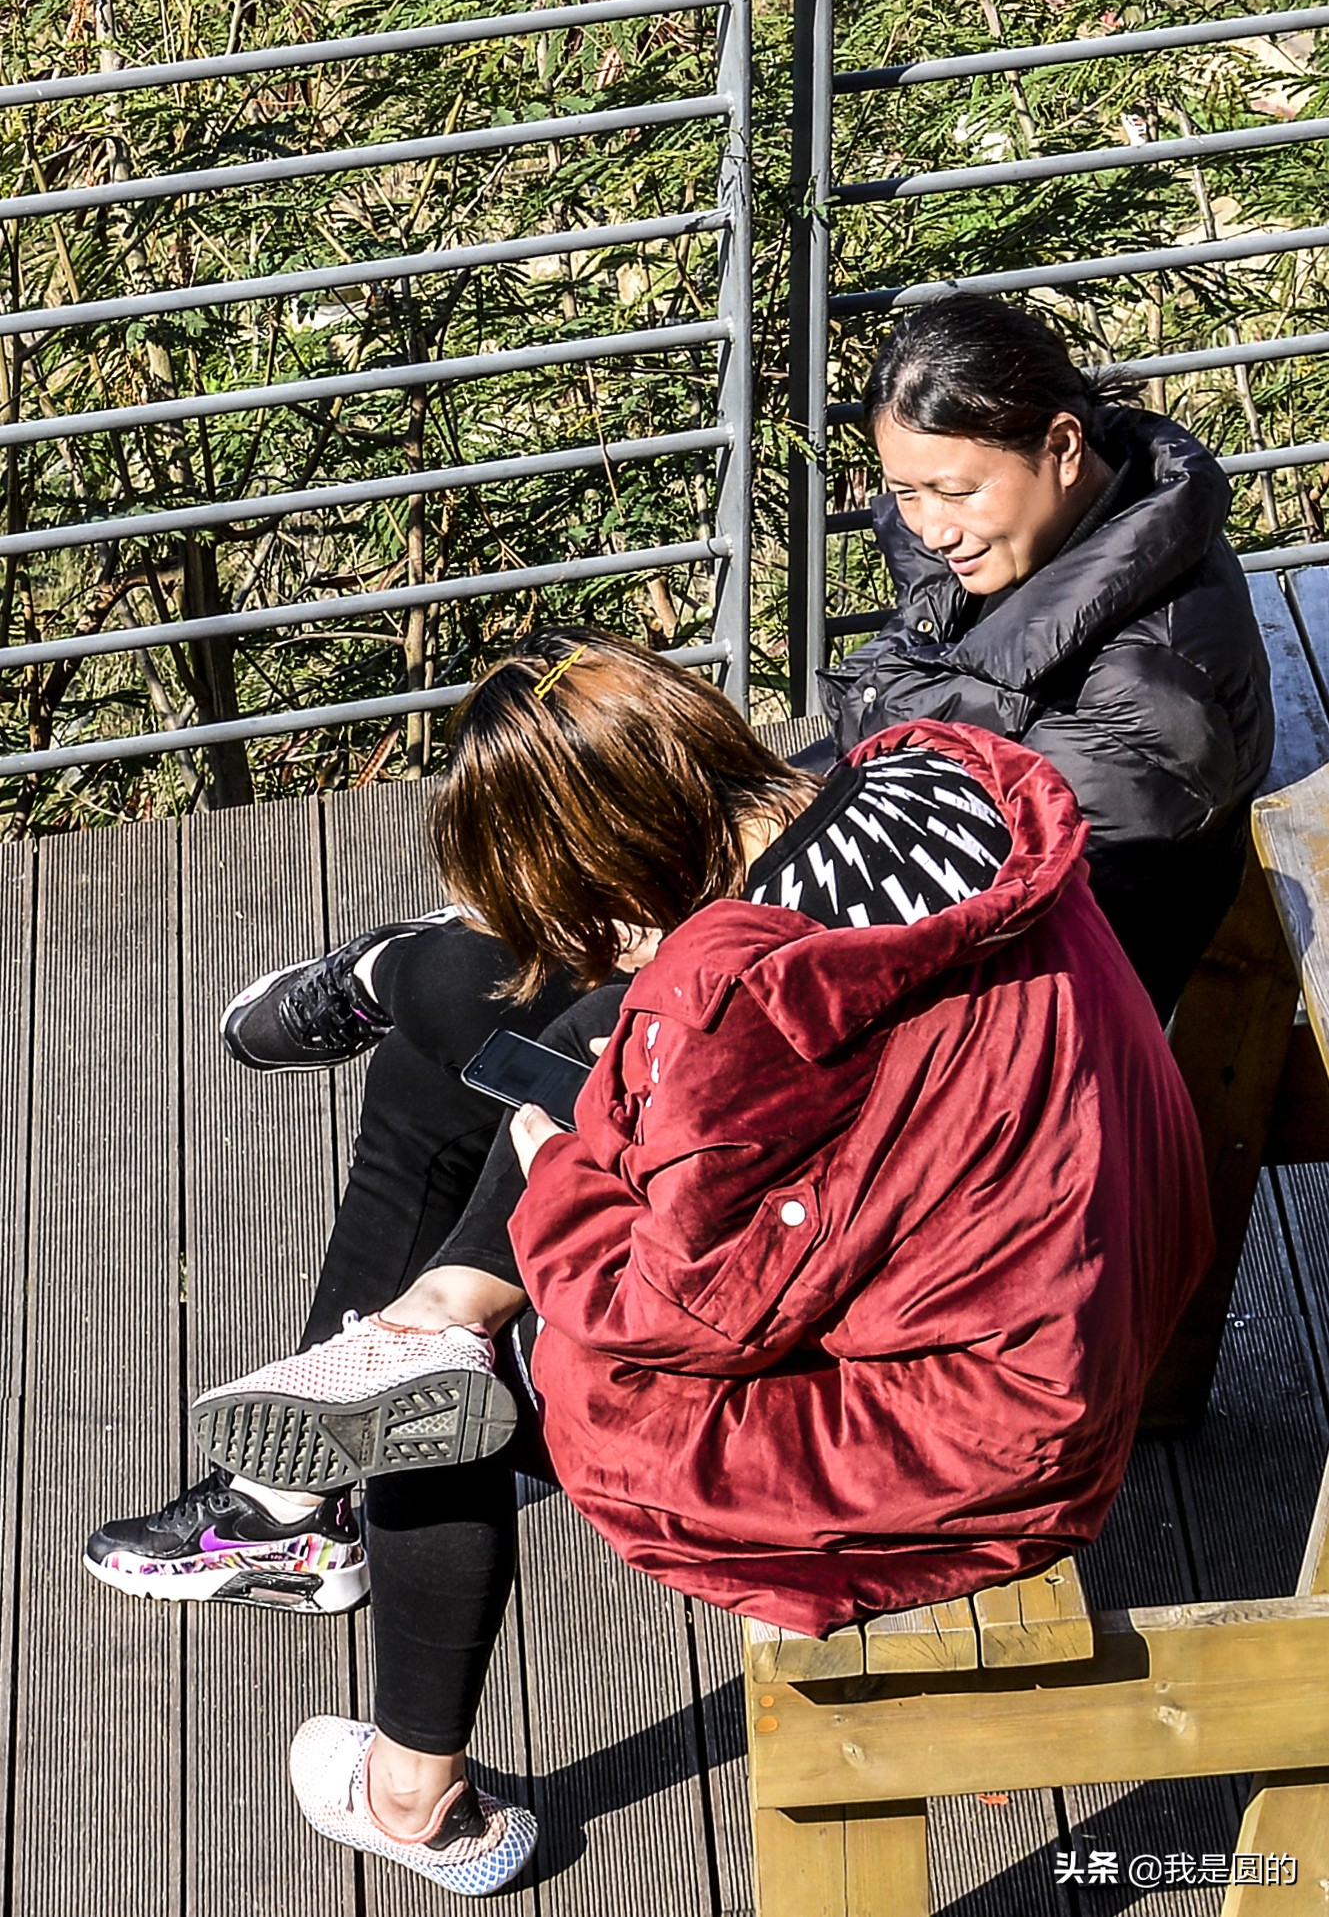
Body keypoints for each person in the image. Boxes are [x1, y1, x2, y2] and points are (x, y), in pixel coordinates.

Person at [111, 631, 1212, 1895]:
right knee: (480, 1092)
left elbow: (678, 1312)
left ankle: (418, 1798)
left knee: (438, 1410)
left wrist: (561, 1187)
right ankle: (425, 1294)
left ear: (620, 871)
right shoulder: (932, 782)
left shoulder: (733, 1011)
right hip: (1108, 1247)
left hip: (970, 1430)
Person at [819, 293, 1275, 1020]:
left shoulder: (1148, 682)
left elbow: (1017, 905)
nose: (932, 529)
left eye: (955, 492)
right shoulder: (1037, 541)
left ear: (1062, 448)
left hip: (1039, 1011)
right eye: (904, 494)